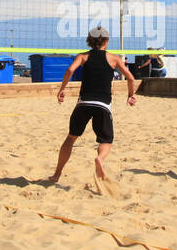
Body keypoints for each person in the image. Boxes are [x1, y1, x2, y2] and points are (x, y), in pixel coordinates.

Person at [48, 26, 136, 187]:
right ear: (106, 41)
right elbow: (130, 78)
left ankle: (57, 173)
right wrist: (130, 95)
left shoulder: (83, 56)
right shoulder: (114, 58)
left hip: (83, 104)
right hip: (103, 105)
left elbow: (69, 70)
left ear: (90, 40)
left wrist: (62, 89)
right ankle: (99, 159)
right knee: (106, 141)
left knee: (71, 137)